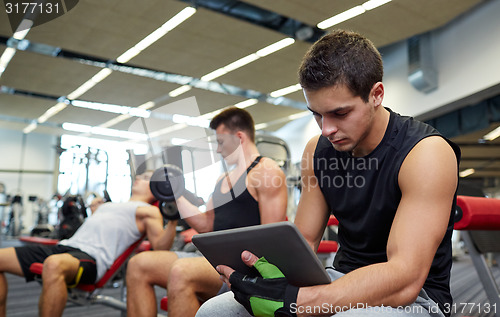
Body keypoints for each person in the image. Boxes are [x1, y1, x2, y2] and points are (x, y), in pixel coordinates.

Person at [195, 30, 461, 317]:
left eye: (340, 113)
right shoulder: (318, 151)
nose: (326, 129)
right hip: (341, 279)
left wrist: (299, 302)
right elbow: (304, 244)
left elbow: (404, 280)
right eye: (317, 114)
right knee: (214, 312)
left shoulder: (425, 154)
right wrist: (259, 277)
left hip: (417, 298)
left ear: (376, 95)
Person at [126, 107, 288, 317]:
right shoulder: (223, 179)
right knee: (139, 264)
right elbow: (206, 225)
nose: (218, 150)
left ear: (239, 137)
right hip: (212, 261)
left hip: (242, 269)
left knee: (181, 271)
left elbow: (271, 239)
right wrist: (174, 192)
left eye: (221, 142)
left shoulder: (266, 171)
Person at [0, 171, 177, 317]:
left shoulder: (149, 211)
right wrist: (96, 209)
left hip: (91, 258)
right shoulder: (110, 205)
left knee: (53, 264)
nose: (138, 178)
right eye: (140, 176)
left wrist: (172, 219)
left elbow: (161, 248)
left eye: (146, 178)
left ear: (157, 188)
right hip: (65, 246)